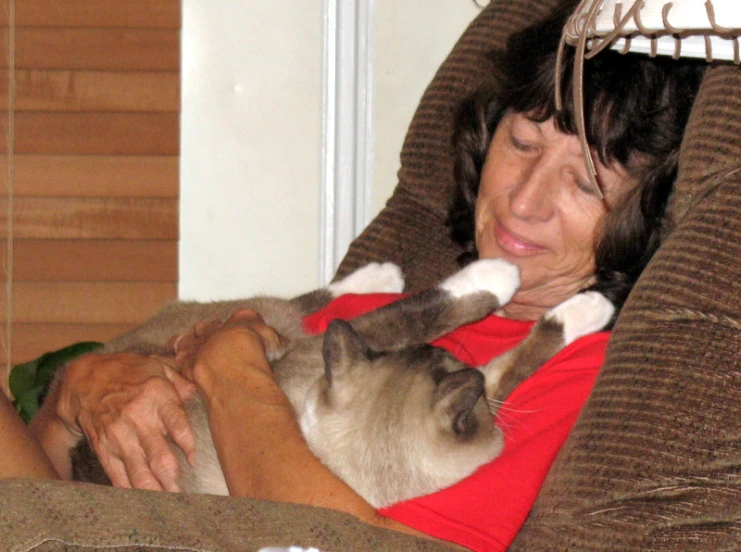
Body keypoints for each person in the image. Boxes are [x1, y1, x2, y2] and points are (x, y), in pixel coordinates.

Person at [1, 2, 706, 551]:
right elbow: (46, 494)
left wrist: (229, 369)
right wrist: (72, 399)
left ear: (639, 219)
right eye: (519, 143)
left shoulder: (575, 373)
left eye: (582, 184)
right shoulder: (373, 306)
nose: (523, 199)